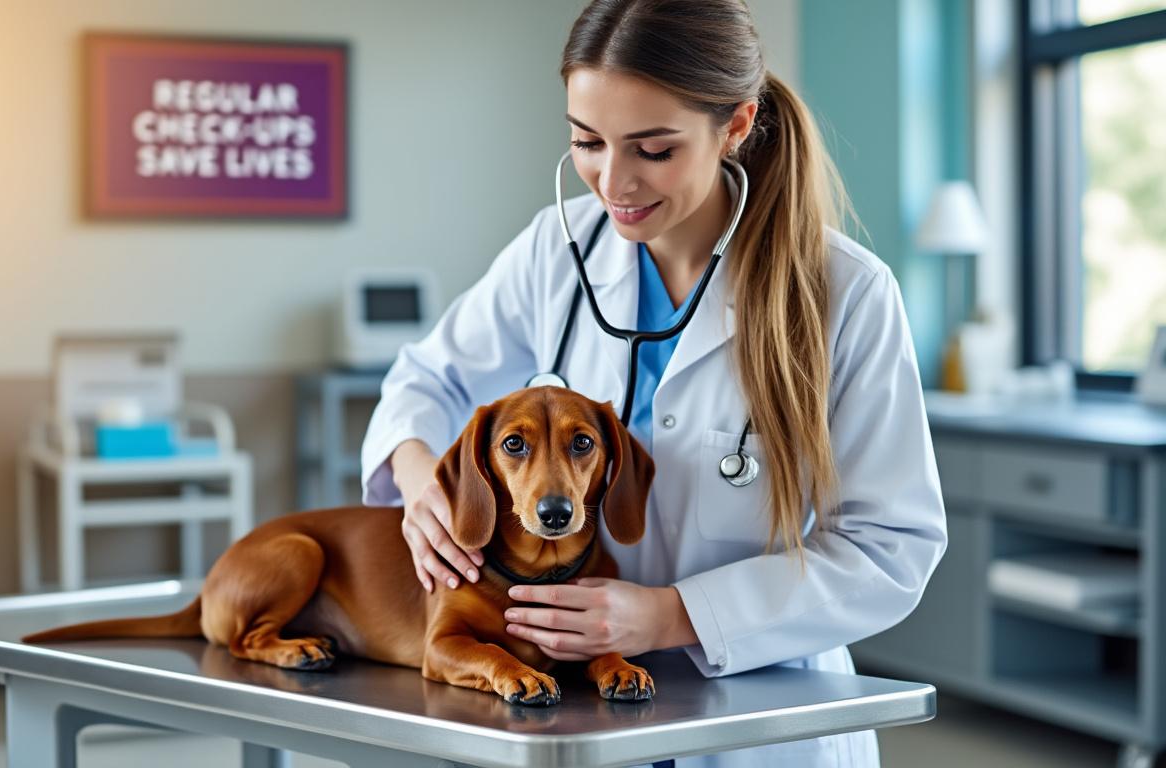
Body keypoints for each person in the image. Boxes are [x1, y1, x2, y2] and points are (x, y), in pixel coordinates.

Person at [360, 0, 947, 765]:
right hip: (578, 706)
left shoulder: (844, 292)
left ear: (736, 125)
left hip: (756, 714)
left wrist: (674, 617)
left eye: (654, 149)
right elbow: (426, 381)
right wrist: (418, 481)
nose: (614, 180)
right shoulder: (556, 251)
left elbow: (889, 550)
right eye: (587, 143)